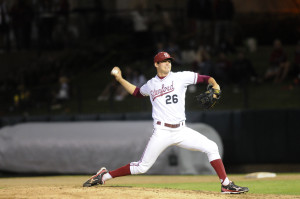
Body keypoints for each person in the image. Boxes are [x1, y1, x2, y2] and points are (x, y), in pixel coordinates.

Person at [83, 52, 249, 194]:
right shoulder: (151, 84)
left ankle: (226, 185)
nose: (168, 64)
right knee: (142, 167)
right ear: (156, 64)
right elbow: (136, 92)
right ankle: (104, 176)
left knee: (211, 146)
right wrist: (120, 79)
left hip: (181, 131)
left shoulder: (181, 77)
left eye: (169, 61)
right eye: (164, 61)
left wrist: (215, 84)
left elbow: (206, 78)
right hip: (162, 132)